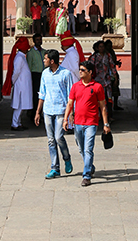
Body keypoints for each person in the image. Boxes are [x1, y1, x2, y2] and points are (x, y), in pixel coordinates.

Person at [63, 60, 110, 186]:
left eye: (83, 70)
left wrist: (106, 124)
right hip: (78, 122)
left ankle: (86, 175)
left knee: (88, 149)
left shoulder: (97, 87)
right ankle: (90, 166)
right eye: (80, 70)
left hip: (91, 122)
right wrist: (65, 119)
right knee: (81, 148)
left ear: (90, 72)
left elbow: (103, 107)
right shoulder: (75, 86)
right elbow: (70, 103)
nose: (80, 72)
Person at [35, 48, 73, 178]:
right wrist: (37, 112)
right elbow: (42, 93)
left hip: (61, 110)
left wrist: (70, 114)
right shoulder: (45, 74)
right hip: (47, 110)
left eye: (45, 59)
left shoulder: (66, 74)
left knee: (58, 137)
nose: (44, 61)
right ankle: (55, 167)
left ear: (52, 61)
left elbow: (70, 96)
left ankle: (66, 158)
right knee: (51, 140)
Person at [3, 36, 33, 130]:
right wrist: (12, 81)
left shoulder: (21, 57)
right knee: (19, 105)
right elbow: (16, 72)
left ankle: (18, 122)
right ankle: (15, 124)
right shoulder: (19, 58)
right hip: (20, 85)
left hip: (23, 84)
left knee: (21, 105)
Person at [89, 40, 116, 117]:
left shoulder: (108, 55)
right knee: (98, 99)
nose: (101, 48)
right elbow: (90, 69)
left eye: (103, 46)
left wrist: (115, 77)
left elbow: (112, 66)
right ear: (97, 48)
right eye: (100, 47)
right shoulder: (94, 57)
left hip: (107, 81)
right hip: (97, 81)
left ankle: (109, 116)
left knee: (109, 98)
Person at [27, 34, 46, 111]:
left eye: (40, 39)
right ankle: (34, 112)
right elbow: (29, 66)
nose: (39, 41)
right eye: (37, 40)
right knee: (35, 95)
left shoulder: (44, 52)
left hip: (43, 75)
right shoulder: (31, 53)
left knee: (43, 94)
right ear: (34, 41)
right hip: (35, 75)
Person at [104, 39, 123, 111]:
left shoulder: (111, 52)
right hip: (106, 73)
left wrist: (117, 63)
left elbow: (113, 62)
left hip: (112, 71)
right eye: (108, 46)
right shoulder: (104, 54)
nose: (109, 47)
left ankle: (115, 104)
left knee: (115, 87)